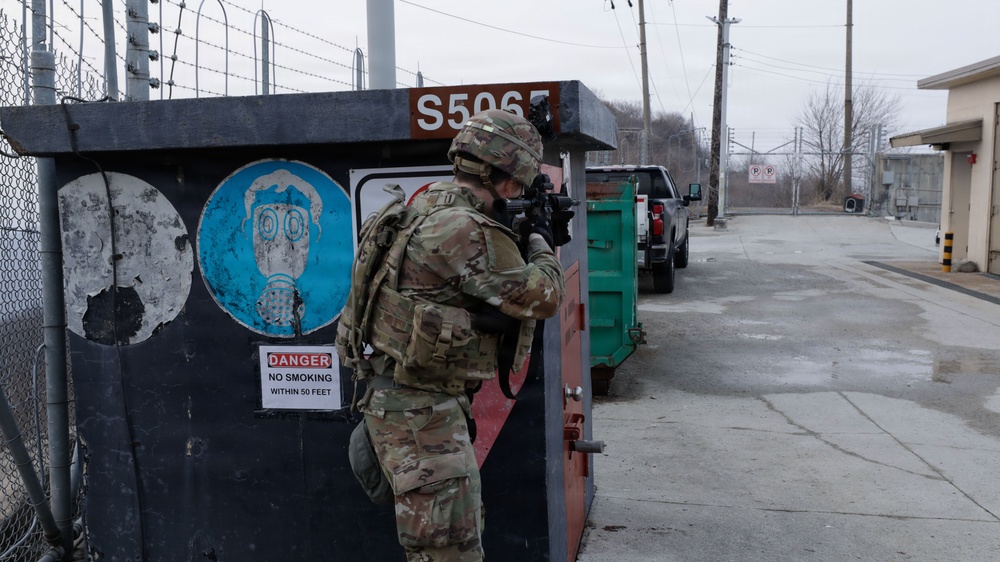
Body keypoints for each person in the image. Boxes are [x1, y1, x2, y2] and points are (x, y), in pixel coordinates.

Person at [337, 108, 565, 561]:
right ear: (507, 181)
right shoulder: (466, 230)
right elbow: (545, 296)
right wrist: (541, 239)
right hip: (423, 420)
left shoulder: (422, 208)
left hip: (398, 404)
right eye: (519, 186)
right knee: (449, 554)